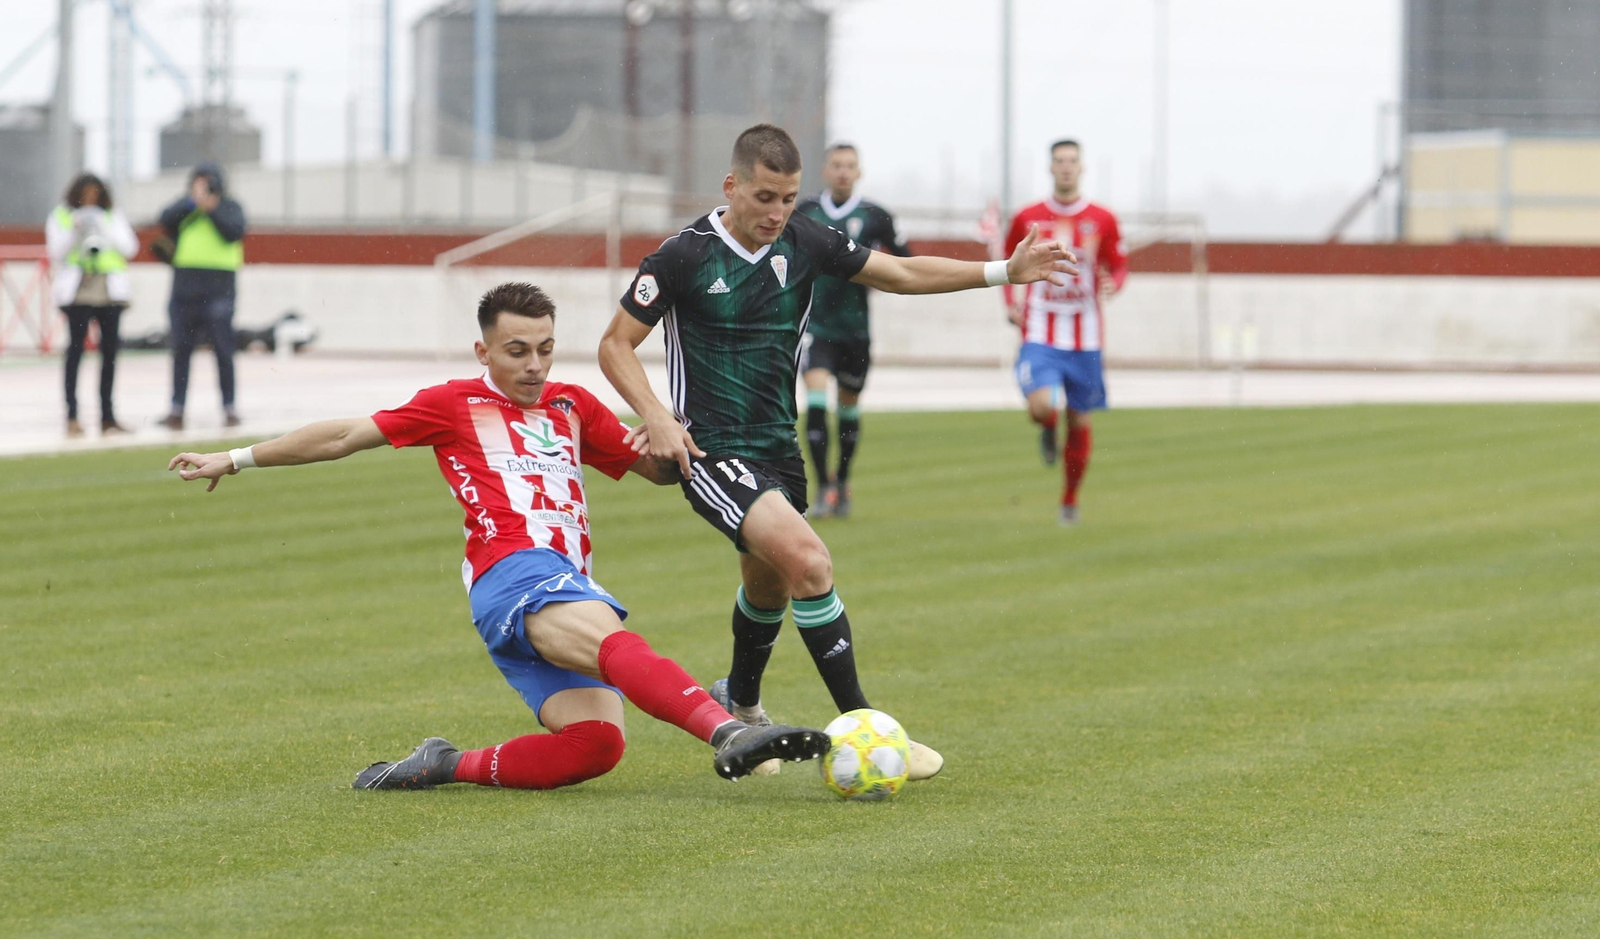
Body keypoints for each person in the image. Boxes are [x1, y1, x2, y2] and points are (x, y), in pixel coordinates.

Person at [168, 282, 828, 790]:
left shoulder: (573, 403)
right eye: (517, 351)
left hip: (562, 578)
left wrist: (664, 440)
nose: (534, 365)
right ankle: (727, 732)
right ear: (483, 351)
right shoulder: (450, 403)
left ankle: (445, 764)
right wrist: (236, 457)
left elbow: (653, 471)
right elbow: (344, 435)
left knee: (596, 744)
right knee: (615, 641)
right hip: (513, 570)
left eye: (544, 348)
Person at [598, 124, 1075, 781]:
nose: (776, 213)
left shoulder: (805, 237)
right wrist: (655, 415)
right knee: (809, 562)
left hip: (777, 449)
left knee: (766, 584)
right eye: (765, 197)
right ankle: (873, 728)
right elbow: (615, 343)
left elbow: (901, 272)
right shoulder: (684, 256)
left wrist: (1004, 271)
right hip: (711, 451)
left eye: (789, 198)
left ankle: (739, 703)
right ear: (731, 185)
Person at [1004, 139, 1128, 525]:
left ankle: (1069, 500)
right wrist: (1011, 300)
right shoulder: (1029, 217)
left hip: (1086, 337)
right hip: (1040, 329)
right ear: (1051, 167)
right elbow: (1008, 262)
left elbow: (1119, 265)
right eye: (1059, 161)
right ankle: (1046, 426)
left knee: (1080, 422)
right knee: (1041, 405)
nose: (1066, 167)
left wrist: (1113, 284)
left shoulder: (1103, 218)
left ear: (1081, 167)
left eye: (1072, 161)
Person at [794, 143, 910, 518]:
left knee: (847, 407)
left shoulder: (877, 216)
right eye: (836, 165)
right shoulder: (805, 212)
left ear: (859, 172)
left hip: (856, 329)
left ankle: (842, 481)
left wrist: (879, 273)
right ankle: (823, 487)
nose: (843, 172)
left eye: (850, 166)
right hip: (816, 325)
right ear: (825, 170)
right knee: (813, 399)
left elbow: (907, 261)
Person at [46, 172, 138, 437]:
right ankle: (72, 414)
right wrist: (77, 228)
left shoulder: (111, 215)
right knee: (75, 351)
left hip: (109, 288)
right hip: (79, 288)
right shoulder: (62, 215)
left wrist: (101, 227)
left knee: (109, 353)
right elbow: (56, 252)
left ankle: (108, 416)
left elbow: (129, 247)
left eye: (95, 194)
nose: (91, 200)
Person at [157, 161, 247, 430]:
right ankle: (177, 408)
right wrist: (191, 204)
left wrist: (212, 208)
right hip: (185, 288)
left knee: (223, 349)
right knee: (180, 350)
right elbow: (164, 220)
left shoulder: (230, 207)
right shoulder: (186, 209)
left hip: (219, 289)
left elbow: (234, 231)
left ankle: (229, 407)